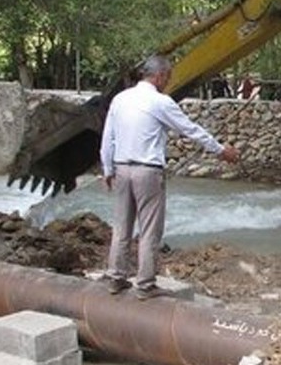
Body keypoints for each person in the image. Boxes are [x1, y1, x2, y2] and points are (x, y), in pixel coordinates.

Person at [100, 54, 240, 298]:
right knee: (149, 230)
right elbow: (190, 129)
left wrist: (107, 169)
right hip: (147, 171)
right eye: (168, 77)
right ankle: (145, 285)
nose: (168, 82)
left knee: (121, 227)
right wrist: (221, 151)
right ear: (160, 75)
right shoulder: (160, 102)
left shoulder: (120, 99)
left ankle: (116, 278)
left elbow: (107, 138)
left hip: (121, 168)